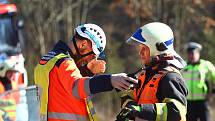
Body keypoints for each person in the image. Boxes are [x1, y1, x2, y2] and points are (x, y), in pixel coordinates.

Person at [34, 23, 138, 121]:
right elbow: (76, 86)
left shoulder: (49, 61)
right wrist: (110, 80)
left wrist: (87, 71)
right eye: (93, 55)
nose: (90, 60)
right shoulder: (64, 63)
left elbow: (62, 90)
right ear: (83, 44)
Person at [116, 22, 188, 121]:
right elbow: (129, 96)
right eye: (140, 48)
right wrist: (130, 111)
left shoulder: (171, 78)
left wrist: (141, 110)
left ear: (158, 49)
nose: (140, 53)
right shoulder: (146, 73)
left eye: (144, 49)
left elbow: (176, 112)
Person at [182, 42, 215, 121]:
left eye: (194, 53)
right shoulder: (183, 66)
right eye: (190, 53)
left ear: (198, 53)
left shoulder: (206, 65)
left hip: (202, 102)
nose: (192, 55)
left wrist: (213, 92)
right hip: (188, 103)